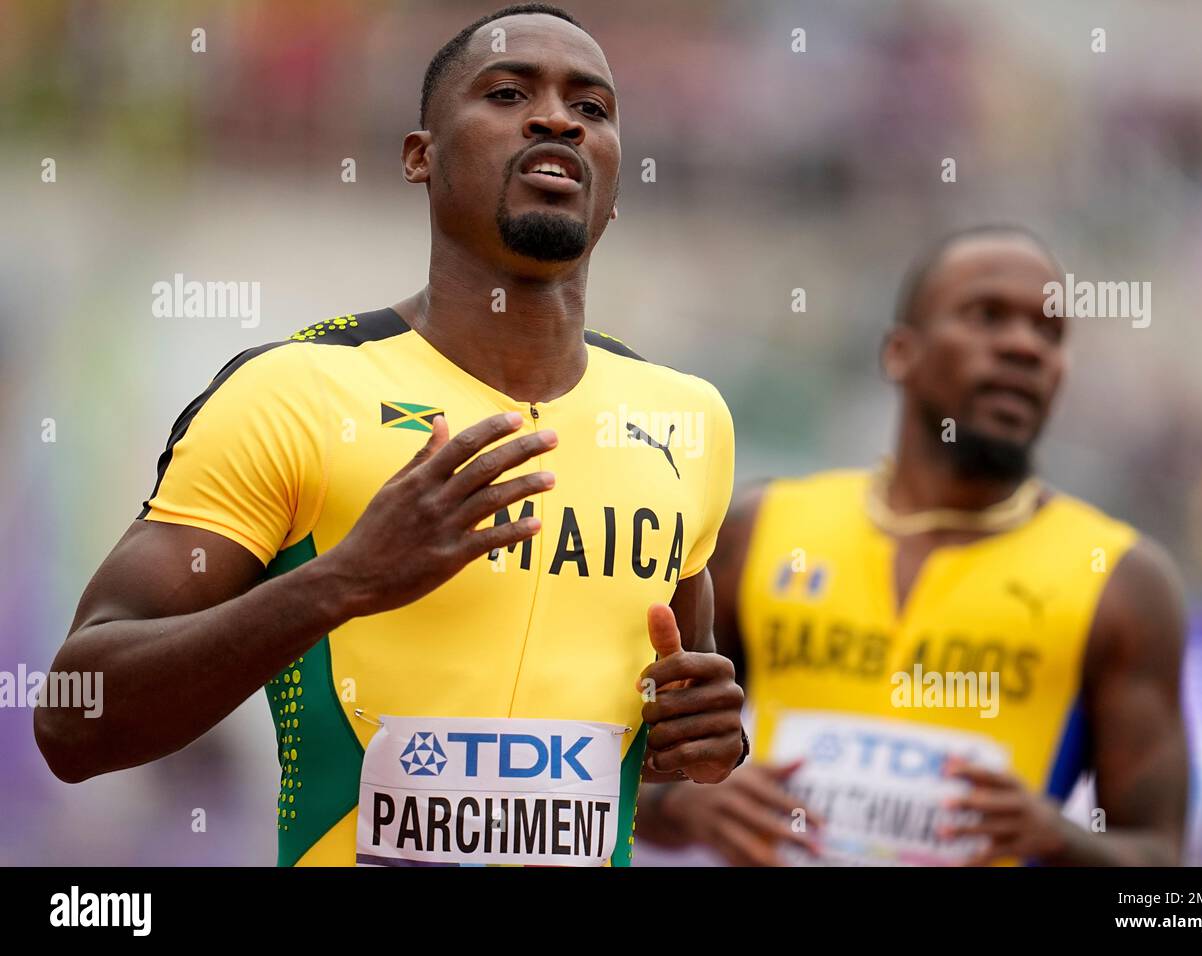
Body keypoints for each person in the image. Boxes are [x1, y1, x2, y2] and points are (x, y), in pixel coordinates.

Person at [35, 3, 745, 868]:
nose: (558, 116)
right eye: (509, 91)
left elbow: (664, 733)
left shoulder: (687, 419)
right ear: (421, 155)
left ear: (614, 178)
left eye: (591, 109)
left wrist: (702, 746)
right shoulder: (293, 391)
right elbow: (73, 721)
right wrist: (340, 583)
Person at [637, 225, 1189, 866]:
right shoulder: (762, 530)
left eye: (1049, 331)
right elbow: (636, 769)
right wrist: (686, 807)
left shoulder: (1122, 584)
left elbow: (1162, 869)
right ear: (900, 352)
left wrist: (1055, 838)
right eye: (987, 316)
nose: (1023, 347)